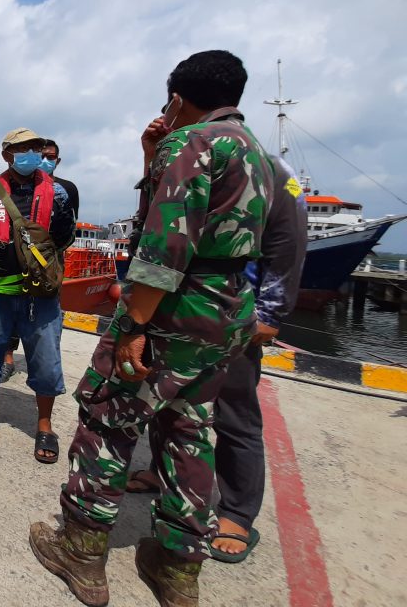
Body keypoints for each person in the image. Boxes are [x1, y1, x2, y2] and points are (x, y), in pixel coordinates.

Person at [28, 50, 274, 607]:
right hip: (226, 311)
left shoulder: (193, 143)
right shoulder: (256, 152)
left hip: (176, 309)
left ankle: (82, 549)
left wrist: (135, 325)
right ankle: (176, 569)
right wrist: (150, 157)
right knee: (190, 428)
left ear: (179, 98)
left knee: (108, 417)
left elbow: (165, 242)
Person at [125, 153, 307, 564]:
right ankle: (162, 472)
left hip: (230, 310)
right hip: (172, 309)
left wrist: (273, 311)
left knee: (234, 411)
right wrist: (149, 157)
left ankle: (237, 513)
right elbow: (154, 230)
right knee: (167, 402)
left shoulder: (268, 168)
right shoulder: (179, 158)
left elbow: (290, 238)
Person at [0, 128, 75, 462]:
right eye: (22, 148)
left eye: (35, 147)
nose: (30, 153)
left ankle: (45, 425)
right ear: (7, 155)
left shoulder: (57, 193)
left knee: (46, 360)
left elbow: (65, 235)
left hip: (41, 292)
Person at [1, 136, 80, 383]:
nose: (45, 160)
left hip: (50, 260)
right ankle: (8, 358)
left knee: (48, 310)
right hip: (17, 260)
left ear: (58, 160)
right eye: (41, 155)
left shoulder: (67, 189)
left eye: (51, 157)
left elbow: (69, 226)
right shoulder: (17, 185)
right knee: (12, 307)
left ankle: (43, 364)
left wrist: (50, 254)